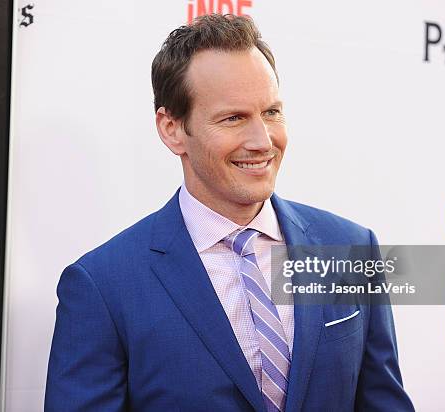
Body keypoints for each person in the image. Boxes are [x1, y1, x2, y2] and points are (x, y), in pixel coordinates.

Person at [45, 14, 414, 412]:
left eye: (271, 112)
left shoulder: (351, 248)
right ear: (172, 129)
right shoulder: (103, 286)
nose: (262, 141)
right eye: (234, 118)